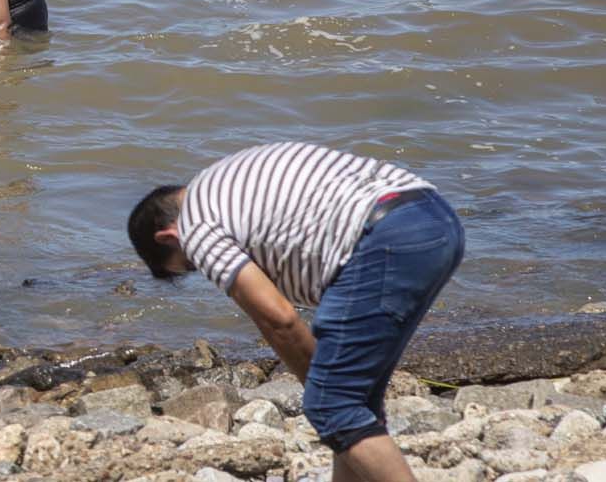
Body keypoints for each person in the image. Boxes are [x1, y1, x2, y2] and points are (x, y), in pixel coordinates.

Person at [127, 142, 465, 482]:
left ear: (168, 237)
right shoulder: (226, 179)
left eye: (190, 265)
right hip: (435, 219)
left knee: (332, 405)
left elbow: (279, 318)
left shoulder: (196, 228)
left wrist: (319, 387)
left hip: (383, 239)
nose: (203, 266)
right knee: (355, 405)